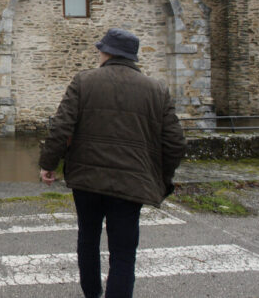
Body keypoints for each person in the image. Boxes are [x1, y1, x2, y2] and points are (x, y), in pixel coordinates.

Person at [39, 28, 186, 298]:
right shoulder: (157, 89)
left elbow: (61, 127)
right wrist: (161, 177)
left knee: (88, 240)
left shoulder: (84, 81)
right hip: (132, 184)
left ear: (106, 52)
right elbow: (176, 143)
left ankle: (92, 294)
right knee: (123, 254)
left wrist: (48, 164)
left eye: (100, 49)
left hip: (87, 181)